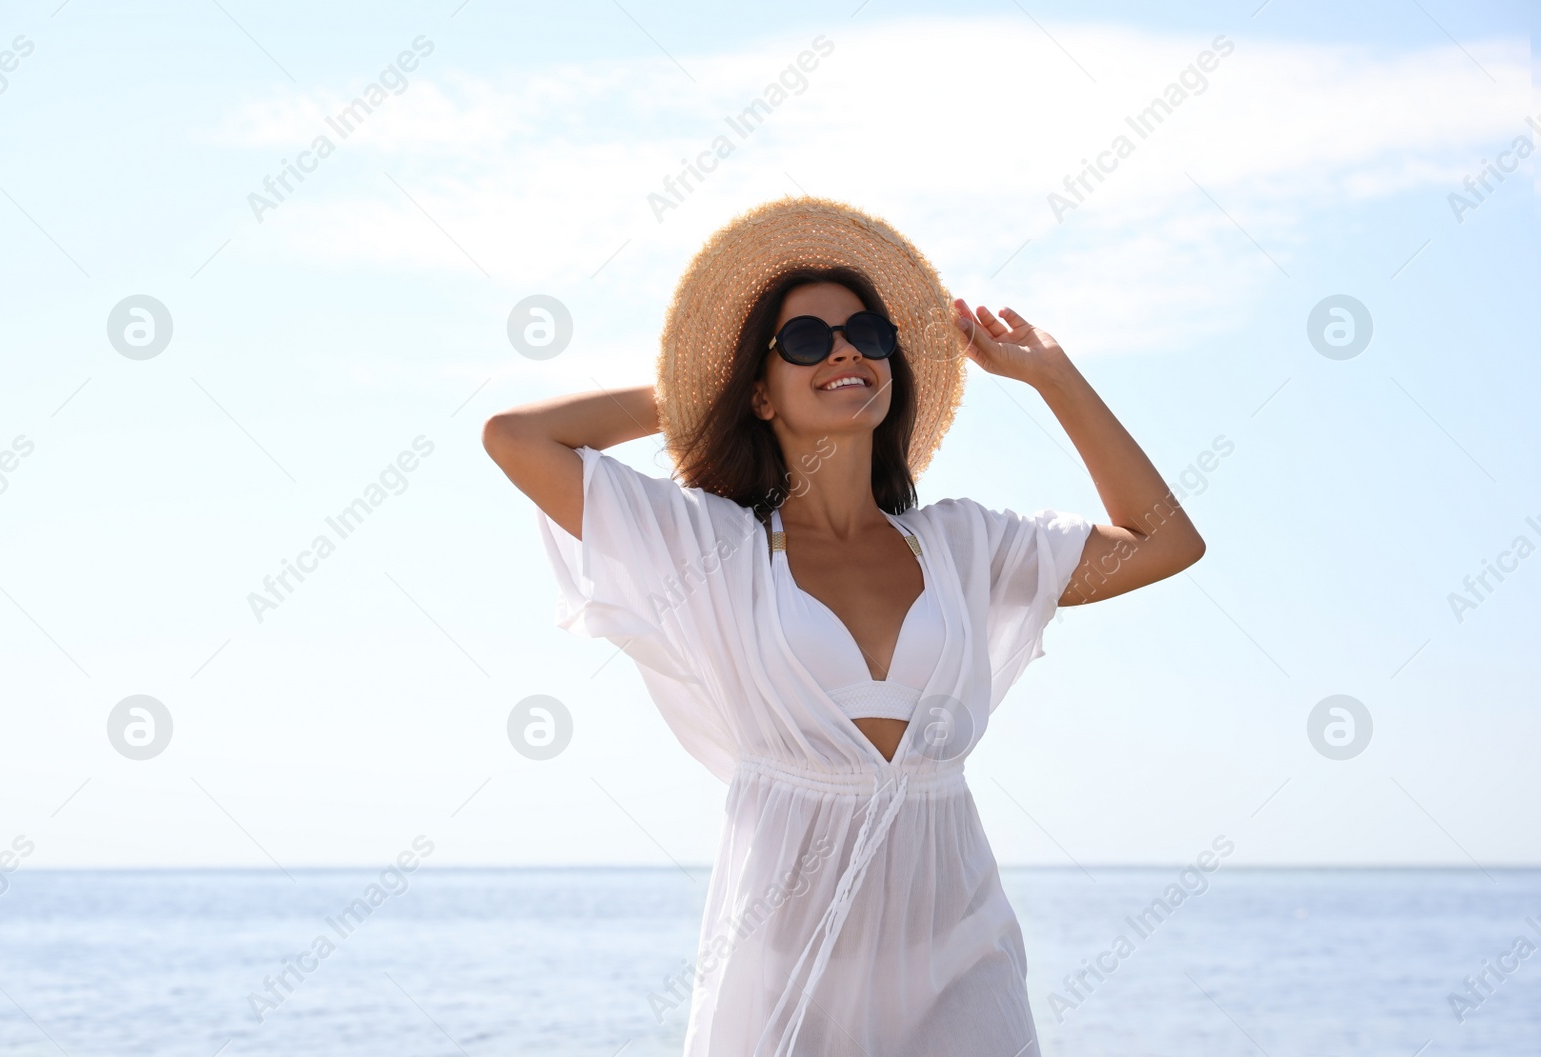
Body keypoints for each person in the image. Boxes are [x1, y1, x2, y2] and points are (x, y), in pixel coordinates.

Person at [483, 195, 1205, 1057]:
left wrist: (1052, 374)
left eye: (866, 332)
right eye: (804, 342)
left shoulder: (966, 544)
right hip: (788, 969)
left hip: (959, 959)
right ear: (760, 387)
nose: (845, 351)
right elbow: (518, 438)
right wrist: (700, 385)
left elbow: (1166, 539)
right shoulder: (715, 550)